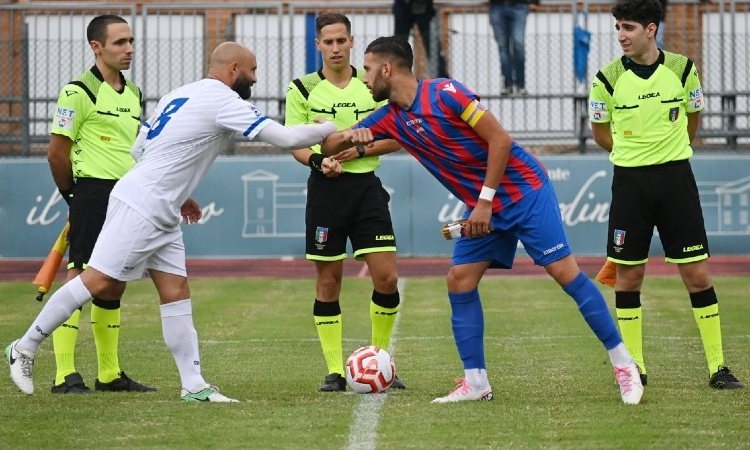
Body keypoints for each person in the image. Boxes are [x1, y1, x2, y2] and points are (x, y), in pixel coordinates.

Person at [5, 41, 340, 401]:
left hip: (158, 204)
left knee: (176, 291)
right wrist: (328, 128)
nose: (255, 79)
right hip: (143, 204)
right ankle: (24, 346)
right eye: (252, 71)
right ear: (233, 70)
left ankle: (194, 386)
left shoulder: (179, 93)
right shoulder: (223, 100)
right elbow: (287, 137)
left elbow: (138, 149)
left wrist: (181, 190)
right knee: (98, 281)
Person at [321, 36, 644, 405]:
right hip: (484, 205)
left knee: (566, 275)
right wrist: (349, 135)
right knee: (459, 280)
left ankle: (624, 366)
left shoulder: (446, 93)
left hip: (524, 192)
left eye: (366, 69)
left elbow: (501, 141)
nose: (363, 78)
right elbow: (331, 146)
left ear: (387, 68)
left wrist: (485, 203)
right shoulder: (390, 116)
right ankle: (476, 382)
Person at [588, 0, 743, 389]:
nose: (621, 35)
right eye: (618, 28)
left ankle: (718, 368)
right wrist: (634, 154)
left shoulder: (683, 69)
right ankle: (634, 368)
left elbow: (693, 119)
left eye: (628, 27)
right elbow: (600, 132)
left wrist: (668, 153)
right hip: (629, 185)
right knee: (629, 277)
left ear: (651, 29)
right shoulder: (606, 78)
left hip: (676, 181)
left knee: (696, 274)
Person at [284, 12, 406, 393]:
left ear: (352, 42)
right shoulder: (302, 89)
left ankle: (381, 361)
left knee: (386, 277)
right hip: (326, 192)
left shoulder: (372, 83)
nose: (335, 48)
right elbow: (296, 144)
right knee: (328, 281)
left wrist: (360, 148)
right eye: (328, 41)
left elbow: (399, 136)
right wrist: (321, 160)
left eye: (342, 40)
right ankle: (335, 371)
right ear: (318, 44)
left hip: (367, 189)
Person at [45, 14, 153, 394]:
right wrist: (73, 196)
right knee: (79, 280)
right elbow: (57, 153)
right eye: (120, 42)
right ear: (97, 47)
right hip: (90, 193)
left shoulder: (136, 93)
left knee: (114, 284)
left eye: (131, 42)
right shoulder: (77, 92)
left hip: (128, 196)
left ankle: (108, 374)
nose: (129, 49)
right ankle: (63, 374)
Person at [488, 0, 538, 96]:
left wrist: (534, 2)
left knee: (518, 44)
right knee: (503, 48)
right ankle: (508, 84)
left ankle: (520, 84)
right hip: (497, 6)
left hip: (519, 5)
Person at [393, 0, 450, 78]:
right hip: (404, 7)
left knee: (433, 45)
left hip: (424, 7)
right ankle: (396, 75)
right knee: (398, 46)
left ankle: (443, 79)